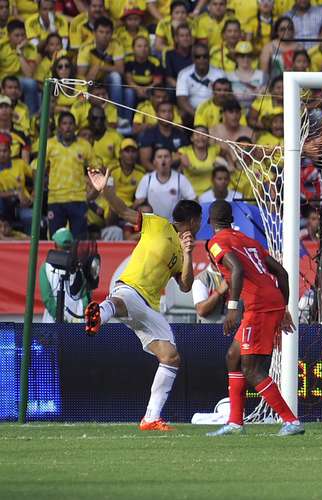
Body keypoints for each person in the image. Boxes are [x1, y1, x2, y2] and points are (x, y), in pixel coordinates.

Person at [84, 167, 201, 431]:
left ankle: (150, 417)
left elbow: (185, 286)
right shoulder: (156, 223)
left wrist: (189, 254)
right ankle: (99, 314)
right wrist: (106, 189)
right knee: (122, 301)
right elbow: (124, 211)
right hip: (130, 287)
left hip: (150, 307)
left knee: (171, 357)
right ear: (193, 220)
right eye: (199, 221)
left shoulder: (183, 252)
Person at [205, 200, 305, 437]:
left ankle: (291, 420)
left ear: (210, 221)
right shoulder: (248, 241)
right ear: (231, 219)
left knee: (252, 369)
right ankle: (235, 422)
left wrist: (231, 308)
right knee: (233, 357)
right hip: (268, 301)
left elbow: (237, 270)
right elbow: (282, 272)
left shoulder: (216, 243)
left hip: (258, 307)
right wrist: (282, 308)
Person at [47, 111, 94, 239]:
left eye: (70, 124)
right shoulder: (49, 144)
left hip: (78, 199)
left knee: (79, 240)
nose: (67, 127)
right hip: (55, 199)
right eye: (64, 123)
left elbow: (95, 170)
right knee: (57, 239)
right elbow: (38, 169)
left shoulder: (84, 145)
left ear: (75, 126)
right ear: (59, 127)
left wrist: (93, 192)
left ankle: (77, 260)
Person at [39, 228, 91, 323]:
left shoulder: (45, 266)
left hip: (53, 323)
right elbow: (86, 296)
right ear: (72, 245)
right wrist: (78, 317)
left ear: (55, 245)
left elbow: (47, 298)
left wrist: (60, 318)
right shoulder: (81, 265)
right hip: (77, 321)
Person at [134, 146, 197, 220]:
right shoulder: (147, 179)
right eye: (159, 157)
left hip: (175, 224)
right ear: (154, 161)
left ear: (171, 160)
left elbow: (193, 200)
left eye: (166, 156)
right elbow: (138, 204)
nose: (163, 160)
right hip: (153, 223)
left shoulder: (180, 179)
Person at [176, 43, 227, 122]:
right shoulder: (184, 74)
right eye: (198, 57)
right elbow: (182, 100)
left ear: (209, 58)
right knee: (182, 114)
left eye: (205, 56)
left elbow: (225, 97)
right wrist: (198, 116)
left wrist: (209, 114)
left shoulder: (219, 74)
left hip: (214, 110)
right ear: (193, 58)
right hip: (191, 112)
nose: (201, 59)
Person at [138, 101, 190, 170]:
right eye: (163, 111)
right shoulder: (149, 134)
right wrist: (161, 175)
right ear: (157, 114)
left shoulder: (180, 134)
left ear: (174, 114)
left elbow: (186, 158)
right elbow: (145, 162)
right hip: (155, 175)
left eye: (170, 111)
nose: (167, 114)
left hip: (177, 174)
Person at [179, 126, 222, 196]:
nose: (201, 137)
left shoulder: (214, 150)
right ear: (191, 138)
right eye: (197, 134)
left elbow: (226, 152)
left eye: (204, 134)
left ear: (208, 138)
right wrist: (212, 167)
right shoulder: (184, 151)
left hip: (211, 194)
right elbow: (191, 169)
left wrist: (230, 165)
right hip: (190, 194)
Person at [163, 24, 193, 88]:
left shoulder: (196, 54)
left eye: (187, 35)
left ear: (191, 38)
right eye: (182, 36)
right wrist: (182, 89)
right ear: (176, 39)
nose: (185, 38)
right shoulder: (169, 54)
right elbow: (169, 78)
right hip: (177, 88)